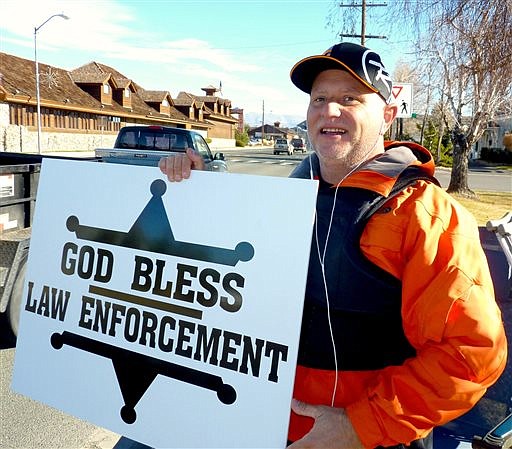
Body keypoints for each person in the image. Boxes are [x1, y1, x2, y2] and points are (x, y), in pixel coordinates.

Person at [159, 42, 507, 449]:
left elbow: (473, 351)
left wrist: (359, 426)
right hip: (259, 428)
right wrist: (193, 193)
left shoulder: (424, 215)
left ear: (388, 115)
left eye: (350, 99)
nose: (330, 111)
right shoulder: (285, 199)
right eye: (319, 99)